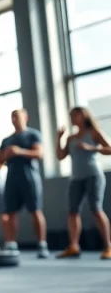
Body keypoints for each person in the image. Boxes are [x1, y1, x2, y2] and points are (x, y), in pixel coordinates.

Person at [56, 107, 111, 260]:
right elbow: (60, 156)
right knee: (73, 212)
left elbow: (109, 149)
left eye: (75, 115)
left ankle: (108, 246)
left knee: (96, 209)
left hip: (93, 175)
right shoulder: (70, 138)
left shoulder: (94, 132)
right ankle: (74, 246)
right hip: (76, 178)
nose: (72, 118)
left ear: (83, 116)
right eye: (71, 115)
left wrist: (92, 147)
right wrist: (59, 138)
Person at [0, 109, 49, 258]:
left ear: (25, 117)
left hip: (30, 177)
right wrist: (6, 154)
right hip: (12, 178)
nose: (14, 119)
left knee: (35, 210)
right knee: (10, 213)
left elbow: (39, 153)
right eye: (12, 116)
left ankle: (42, 245)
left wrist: (19, 151)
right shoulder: (6, 140)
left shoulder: (33, 134)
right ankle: (11, 244)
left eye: (17, 116)